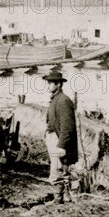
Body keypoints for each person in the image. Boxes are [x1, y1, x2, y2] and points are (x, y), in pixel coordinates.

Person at [43, 71, 78, 203]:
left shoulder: (63, 101)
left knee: (58, 171)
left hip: (58, 140)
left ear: (58, 84)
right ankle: (65, 198)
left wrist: (62, 145)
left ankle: (59, 201)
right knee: (61, 169)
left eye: (50, 83)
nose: (48, 86)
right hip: (54, 138)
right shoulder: (56, 99)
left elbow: (67, 127)